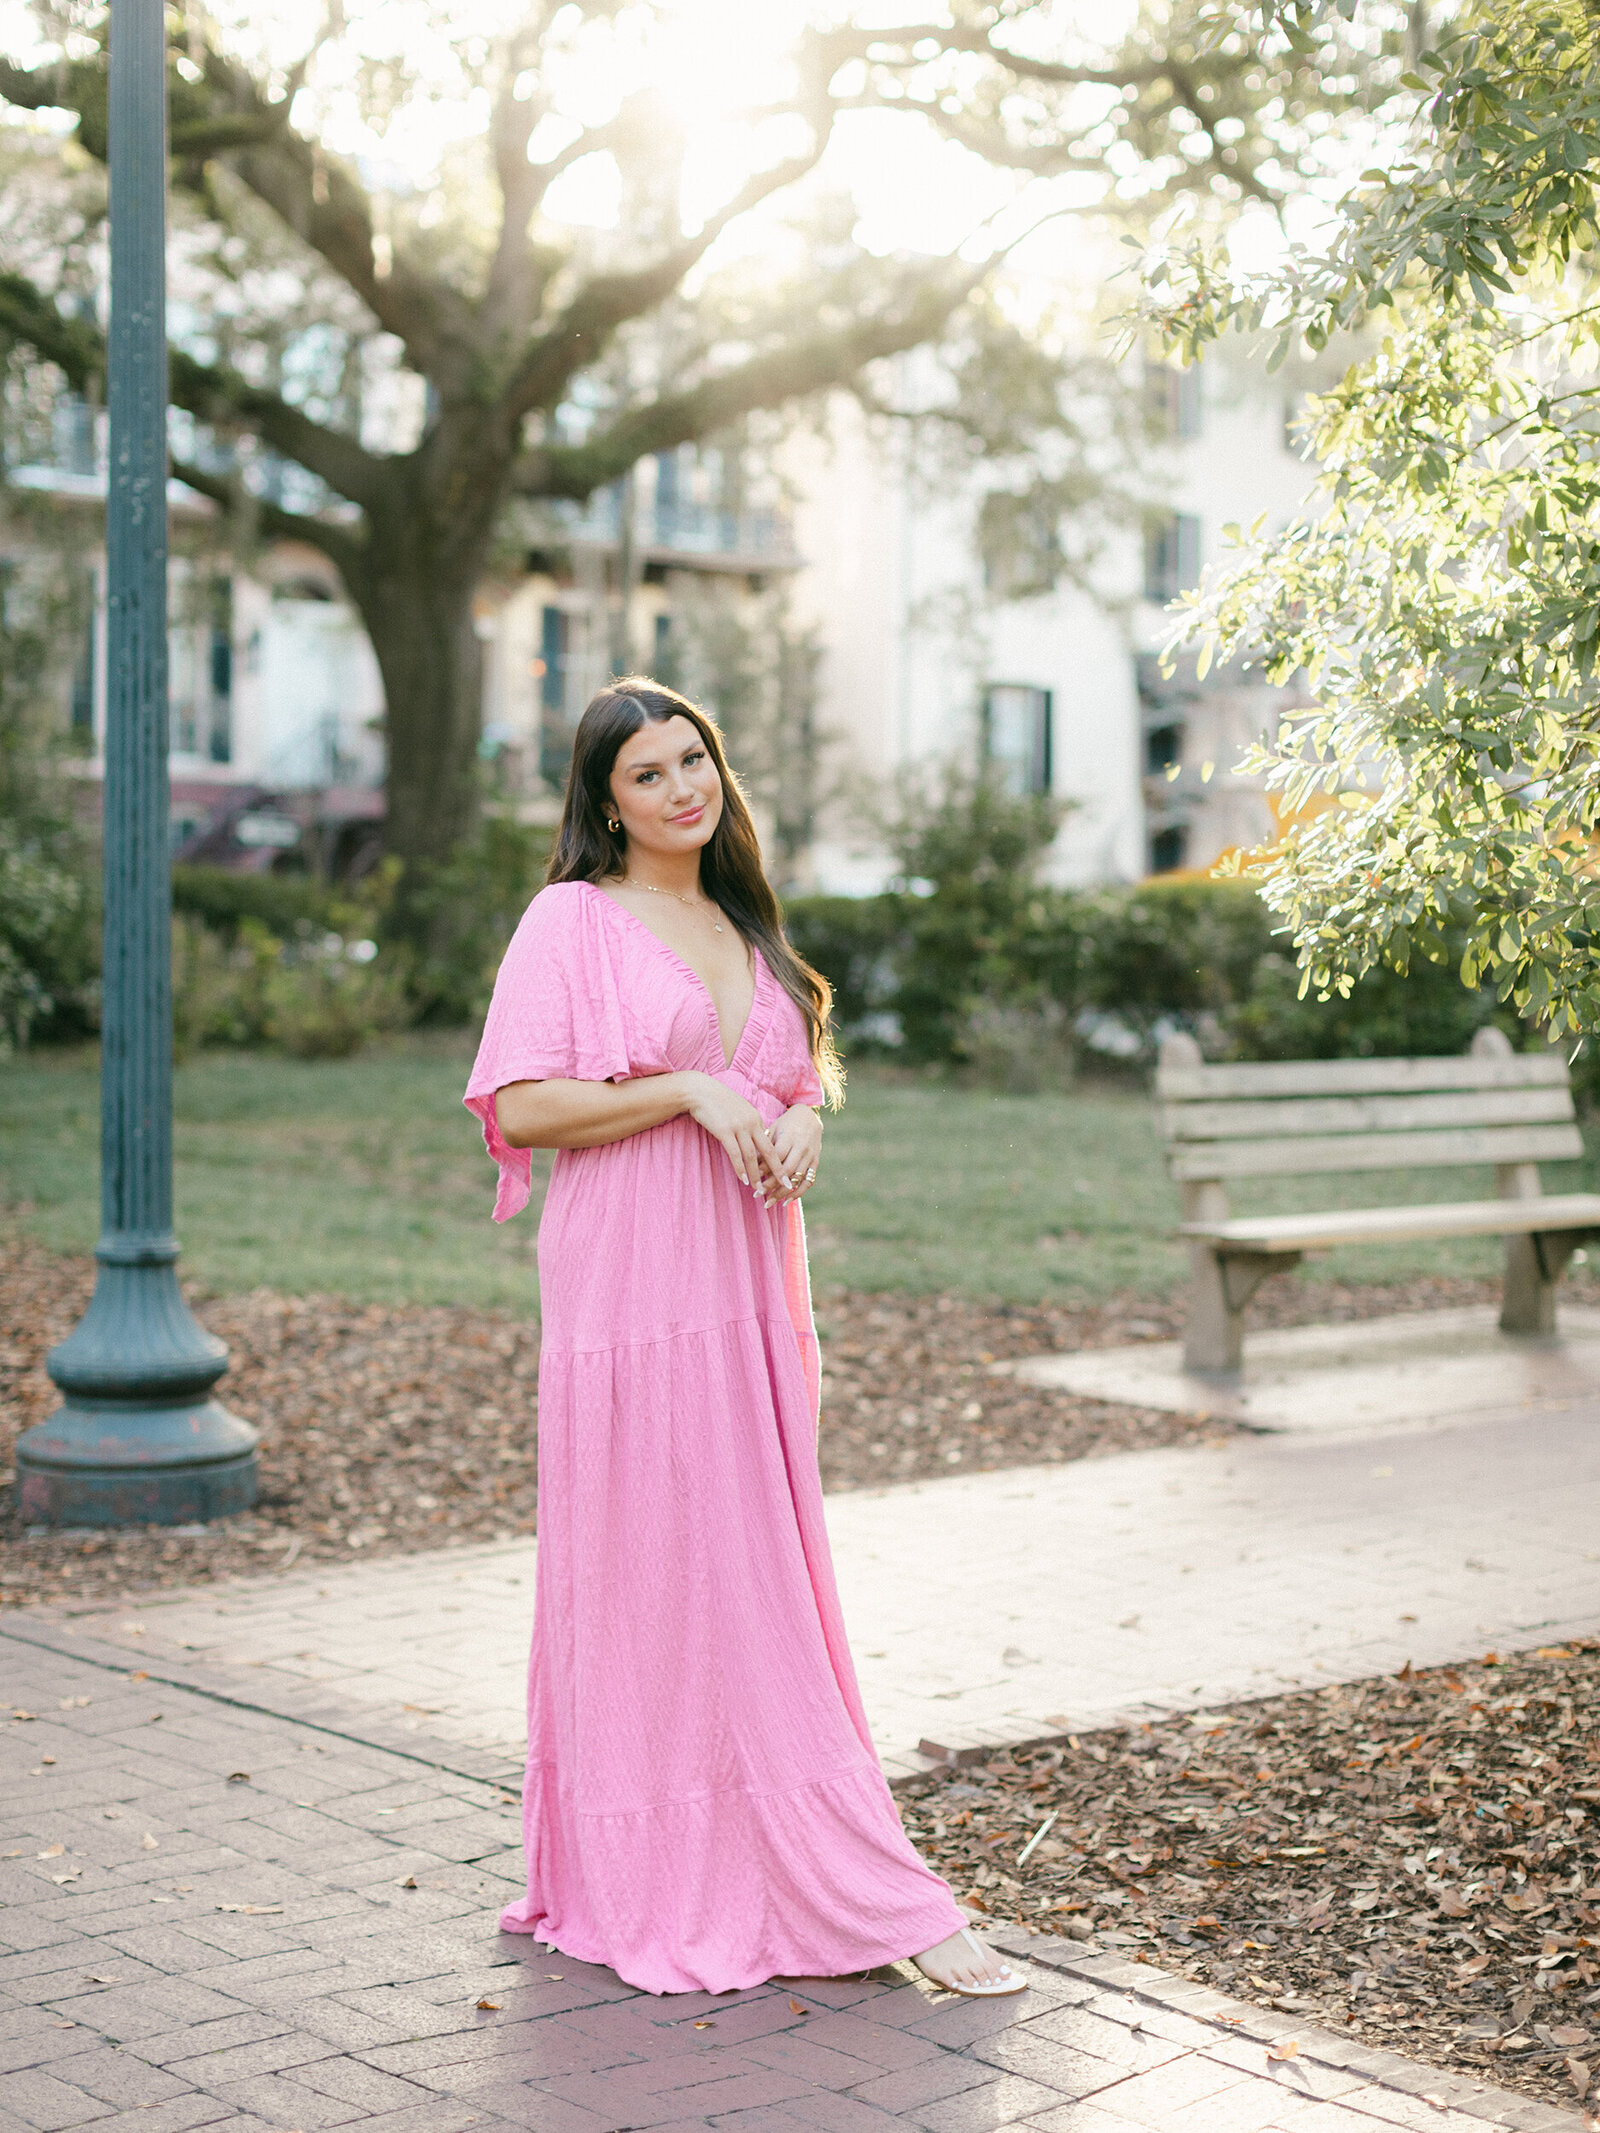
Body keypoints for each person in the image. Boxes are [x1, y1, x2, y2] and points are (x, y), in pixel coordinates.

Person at [464, 678, 1022, 1999]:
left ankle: (790, 1844)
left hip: (747, 1295)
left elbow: (788, 1080)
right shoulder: (574, 920)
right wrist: (686, 1090)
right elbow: (526, 1107)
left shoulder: (743, 917)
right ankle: (707, 1865)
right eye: (647, 773)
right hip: (630, 1291)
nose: (681, 788)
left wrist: (805, 1116)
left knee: (749, 1560)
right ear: (606, 800)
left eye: (693, 757)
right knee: (656, 1562)